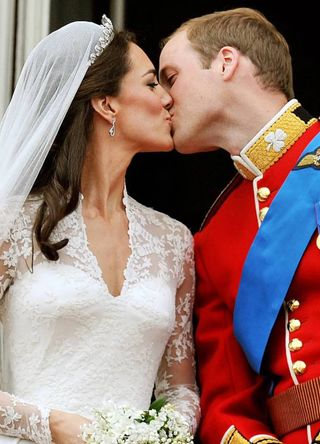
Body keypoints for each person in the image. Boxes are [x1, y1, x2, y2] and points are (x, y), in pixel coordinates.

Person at [0, 15, 201, 444]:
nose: (167, 98)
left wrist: (164, 433)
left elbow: (179, 387)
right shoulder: (12, 225)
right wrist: (54, 425)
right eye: (150, 83)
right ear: (107, 104)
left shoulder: (174, 241)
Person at [159, 6, 320, 444]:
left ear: (226, 62)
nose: (163, 99)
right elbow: (225, 403)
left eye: (171, 77)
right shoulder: (213, 236)